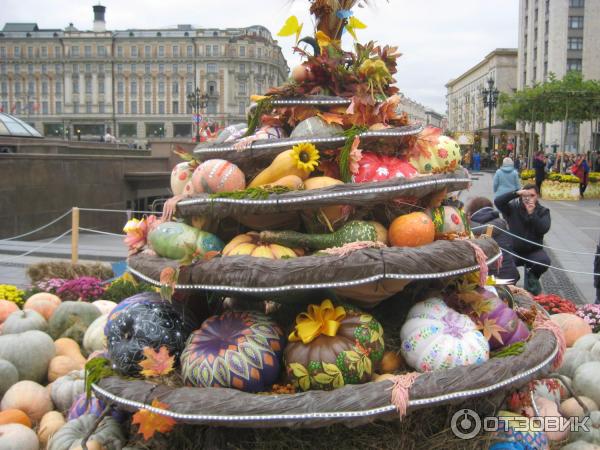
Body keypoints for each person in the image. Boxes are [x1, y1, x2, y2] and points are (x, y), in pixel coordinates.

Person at [494, 184, 551, 295]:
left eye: (532, 195)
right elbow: (498, 202)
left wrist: (532, 214)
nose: (528, 198)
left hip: (533, 251)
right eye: (525, 195)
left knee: (544, 261)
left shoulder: (543, 211)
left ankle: (532, 277)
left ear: (537, 196)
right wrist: (516, 193)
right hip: (514, 250)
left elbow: (543, 229)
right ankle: (509, 290)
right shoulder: (512, 208)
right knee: (506, 267)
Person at [466, 197, 520, 282]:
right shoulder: (501, 222)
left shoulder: (473, 228)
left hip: (494, 279)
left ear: (471, 212)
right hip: (511, 274)